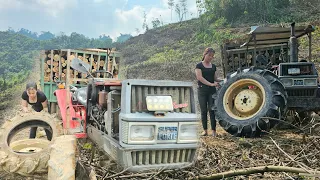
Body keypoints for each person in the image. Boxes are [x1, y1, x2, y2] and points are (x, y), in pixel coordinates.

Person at [195, 47, 222, 137]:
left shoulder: (213, 66)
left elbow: (215, 78)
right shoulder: (199, 66)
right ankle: (205, 130)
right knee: (203, 110)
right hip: (202, 90)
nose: (210, 57)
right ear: (205, 54)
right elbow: (200, 78)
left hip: (211, 91)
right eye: (209, 55)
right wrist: (211, 84)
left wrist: (222, 80)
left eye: (212, 56)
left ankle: (214, 131)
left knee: (212, 110)